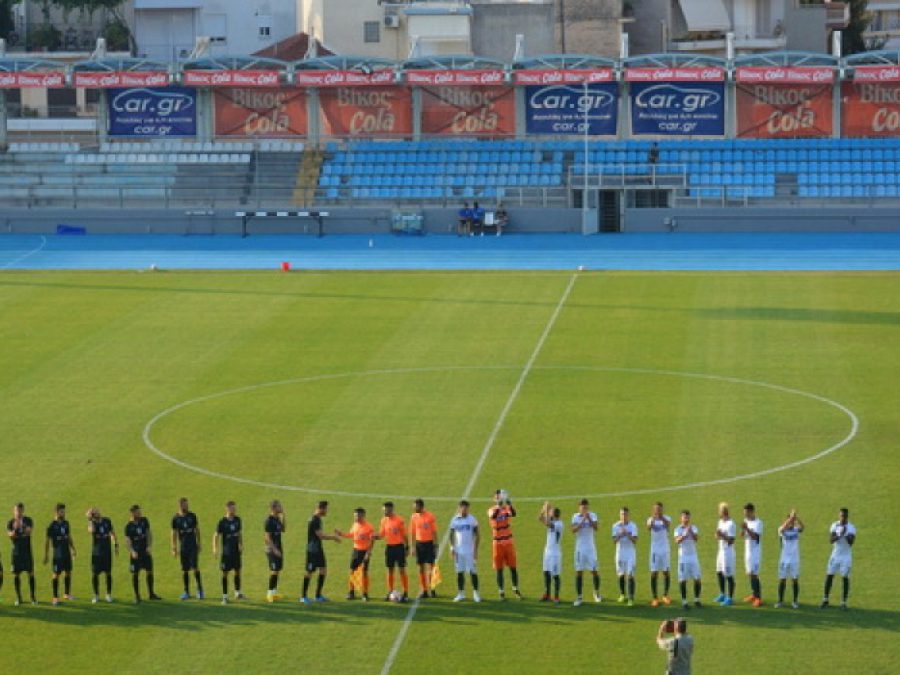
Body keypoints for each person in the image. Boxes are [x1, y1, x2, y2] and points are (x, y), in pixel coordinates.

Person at [301, 500, 341, 604]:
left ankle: (318, 595)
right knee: (309, 572)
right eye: (326, 509)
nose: (327, 511)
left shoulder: (317, 518)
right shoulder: (314, 520)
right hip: (312, 550)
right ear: (321, 508)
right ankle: (303, 596)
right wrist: (334, 537)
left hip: (318, 549)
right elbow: (321, 535)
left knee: (323, 569)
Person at [336, 507, 375, 601]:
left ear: (363, 515)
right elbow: (351, 534)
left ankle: (365, 594)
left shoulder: (369, 527)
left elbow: (372, 541)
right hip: (355, 551)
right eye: (355, 516)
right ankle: (351, 592)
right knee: (352, 571)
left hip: (364, 552)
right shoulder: (355, 524)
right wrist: (341, 534)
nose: (356, 517)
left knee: (364, 573)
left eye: (357, 515)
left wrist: (368, 553)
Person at [488, 489, 521, 600]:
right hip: (497, 543)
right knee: (499, 568)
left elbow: (514, 513)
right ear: (494, 499)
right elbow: (493, 516)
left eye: (500, 497)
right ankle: (501, 591)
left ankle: (515, 589)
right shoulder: (491, 510)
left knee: (513, 567)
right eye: (497, 497)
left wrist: (509, 503)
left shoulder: (506, 509)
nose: (499, 499)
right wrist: (499, 505)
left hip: (508, 542)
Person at [821, 507, 856, 610]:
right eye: (841, 516)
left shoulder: (851, 527)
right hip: (835, 554)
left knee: (845, 577)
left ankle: (843, 602)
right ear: (839, 515)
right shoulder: (834, 525)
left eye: (844, 516)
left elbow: (851, 542)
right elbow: (831, 540)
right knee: (829, 575)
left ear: (847, 516)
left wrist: (844, 534)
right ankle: (825, 599)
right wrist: (839, 534)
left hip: (846, 556)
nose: (842, 518)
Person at [124, 505, 160, 603]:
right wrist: (132, 551)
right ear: (132, 513)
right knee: (135, 574)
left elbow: (148, 534)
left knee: (149, 571)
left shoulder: (144, 521)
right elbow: (127, 541)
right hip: (135, 553)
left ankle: (151, 594)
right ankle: (137, 596)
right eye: (137, 512)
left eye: (140, 512)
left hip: (145, 551)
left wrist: (149, 546)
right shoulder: (128, 526)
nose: (140, 513)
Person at [171, 497, 203, 601]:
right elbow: (174, 533)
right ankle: (186, 592)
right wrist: (174, 548)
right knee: (185, 570)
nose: (186, 506)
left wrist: (199, 543)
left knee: (195, 567)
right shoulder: (175, 518)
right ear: (180, 505)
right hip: (183, 547)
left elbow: (197, 530)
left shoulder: (192, 516)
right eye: (184, 505)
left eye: (187, 504)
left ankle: (200, 590)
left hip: (193, 546)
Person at [44, 503, 76, 606]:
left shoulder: (66, 523)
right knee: (56, 575)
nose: (63, 513)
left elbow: (68, 536)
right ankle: (55, 597)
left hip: (66, 552)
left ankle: (67, 594)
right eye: (62, 511)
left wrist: (73, 549)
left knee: (68, 572)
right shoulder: (51, 526)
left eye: (64, 511)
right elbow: (47, 541)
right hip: (57, 554)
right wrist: (46, 554)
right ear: (57, 512)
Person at [377, 501, 409, 602]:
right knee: (390, 570)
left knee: (401, 570)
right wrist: (375, 536)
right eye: (383, 510)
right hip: (389, 547)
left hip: (399, 547)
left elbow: (404, 535)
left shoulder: (399, 520)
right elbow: (382, 534)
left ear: (391, 509)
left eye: (386, 510)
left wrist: (407, 547)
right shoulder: (383, 520)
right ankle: (390, 591)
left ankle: (405, 592)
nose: (384, 512)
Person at [571, 498, 601, 606]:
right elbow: (573, 530)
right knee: (579, 571)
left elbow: (596, 528)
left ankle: (596, 593)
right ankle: (579, 597)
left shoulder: (593, 515)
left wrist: (590, 520)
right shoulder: (575, 517)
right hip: (580, 549)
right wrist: (583, 520)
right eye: (583, 507)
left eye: (586, 507)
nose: (585, 509)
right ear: (579, 507)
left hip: (591, 548)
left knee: (594, 570)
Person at [449, 500, 481, 602]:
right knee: (459, 572)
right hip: (459, 551)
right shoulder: (455, 520)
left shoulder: (472, 520)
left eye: (466, 508)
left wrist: (475, 550)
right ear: (459, 508)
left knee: (473, 572)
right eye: (462, 507)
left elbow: (477, 535)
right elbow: (451, 535)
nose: (464, 509)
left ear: (468, 508)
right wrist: (452, 548)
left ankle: (476, 593)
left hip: (469, 551)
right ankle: (461, 593)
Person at [213, 500, 243, 604]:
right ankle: (225, 596)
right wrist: (215, 548)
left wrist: (241, 544)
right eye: (232, 508)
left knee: (238, 571)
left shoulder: (238, 520)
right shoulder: (222, 522)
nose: (234, 510)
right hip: (226, 553)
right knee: (225, 573)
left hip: (236, 552)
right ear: (227, 509)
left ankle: (238, 593)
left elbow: (239, 533)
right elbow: (216, 535)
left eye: (235, 508)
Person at [8, 502, 37, 605]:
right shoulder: (10, 523)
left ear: (23, 510)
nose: (18, 513)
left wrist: (22, 526)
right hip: (16, 553)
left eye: (20, 510)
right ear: (14, 511)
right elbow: (11, 536)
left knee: (31, 574)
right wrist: (16, 529)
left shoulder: (28, 520)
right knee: (16, 575)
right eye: (17, 510)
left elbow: (29, 532)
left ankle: (33, 598)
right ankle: (19, 598)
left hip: (27, 552)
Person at [87, 507, 117, 603]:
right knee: (95, 574)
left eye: (97, 511)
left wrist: (115, 542)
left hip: (107, 552)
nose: (97, 512)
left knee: (108, 573)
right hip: (97, 553)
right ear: (92, 515)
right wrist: (90, 520)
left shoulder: (107, 520)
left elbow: (112, 533)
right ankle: (96, 595)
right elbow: (91, 531)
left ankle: (108, 594)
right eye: (94, 512)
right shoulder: (93, 523)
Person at [410, 498, 438, 599]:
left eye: (415, 506)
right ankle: (424, 590)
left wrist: (436, 545)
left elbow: (434, 531)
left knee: (431, 567)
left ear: (421, 506)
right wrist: (412, 547)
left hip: (429, 544)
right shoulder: (413, 517)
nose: (414, 508)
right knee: (420, 568)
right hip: (419, 544)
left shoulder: (430, 516)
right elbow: (412, 532)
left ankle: (432, 588)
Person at [776, 509, 804, 608]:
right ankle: (780, 601)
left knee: (795, 579)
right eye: (789, 521)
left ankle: (795, 601)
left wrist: (797, 518)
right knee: (782, 579)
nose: (791, 523)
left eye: (792, 521)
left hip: (794, 559)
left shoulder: (796, 530)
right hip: (784, 559)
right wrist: (790, 519)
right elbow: (782, 529)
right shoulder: (781, 529)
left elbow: (802, 527)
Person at [674, 510, 702, 609]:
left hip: (693, 557)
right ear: (681, 518)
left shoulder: (693, 528)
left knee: (697, 579)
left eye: (687, 517)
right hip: (683, 558)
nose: (686, 519)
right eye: (684, 517)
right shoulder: (678, 529)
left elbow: (696, 539)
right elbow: (677, 541)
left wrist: (690, 532)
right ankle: (684, 601)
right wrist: (685, 534)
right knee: (683, 580)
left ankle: (697, 599)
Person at [647, 502, 673, 607]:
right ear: (653, 510)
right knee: (654, 573)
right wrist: (654, 519)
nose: (658, 511)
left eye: (659, 509)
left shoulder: (667, 518)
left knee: (666, 571)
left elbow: (668, 524)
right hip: (654, 550)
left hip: (665, 549)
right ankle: (655, 597)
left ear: (662, 509)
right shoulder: (650, 519)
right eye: (656, 509)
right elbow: (648, 527)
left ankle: (666, 595)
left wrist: (661, 517)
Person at [612, 506, 639, 606]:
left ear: (628, 515)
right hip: (620, 553)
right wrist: (620, 534)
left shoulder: (633, 526)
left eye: (626, 514)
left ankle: (631, 598)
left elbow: (635, 540)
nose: (624, 516)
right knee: (621, 574)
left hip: (630, 553)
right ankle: (622, 594)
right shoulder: (615, 526)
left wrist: (627, 533)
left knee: (630, 574)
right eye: (622, 514)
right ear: (620, 515)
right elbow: (614, 541)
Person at [538, 502, 563, 603]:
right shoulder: (552, 521)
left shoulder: (559, 524)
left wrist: (547, 509)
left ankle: (556, 596)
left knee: (555, 575)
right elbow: (540, 518)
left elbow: (548, 523)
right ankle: (547, 594)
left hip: (555, 554)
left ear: (554, 515)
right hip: (547, 551)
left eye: (551, 512)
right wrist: (544, 509)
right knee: (546, 572)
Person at [713, 502, 736, 606]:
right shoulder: (720, 522)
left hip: (728, 552)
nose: (719, 512)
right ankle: (722, 593)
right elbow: (718, 536)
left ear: (724, 511)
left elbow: (731, 541)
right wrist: (717, 535)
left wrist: (722, 535)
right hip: (721, 551)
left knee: (729, 575)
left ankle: (730, 597)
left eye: (720, 510)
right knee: (719, 572)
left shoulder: (731, 524)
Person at [741, 503, 763, 607]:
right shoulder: (746, 521)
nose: (745, 515)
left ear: (751, 511)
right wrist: (743, 530)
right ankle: (754, 595)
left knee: (754, 574)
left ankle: (759, 598)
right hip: (747, 552)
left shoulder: (758, 523)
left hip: (755, 553)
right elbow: (743, 535)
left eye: (746, 513)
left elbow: (755, 537)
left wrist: (747, 528)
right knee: (749, 573)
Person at [264, 500, 286, 603]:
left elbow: (283, 529)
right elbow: (267, 537)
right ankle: (269, 593)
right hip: (271, 548)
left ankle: (274, 592)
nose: (281, 507)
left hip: (278, 546)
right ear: (273, 508)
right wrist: (275, 549)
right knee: (273, 570)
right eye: (279, 506)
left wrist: (283, 516)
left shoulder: (277, 519)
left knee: (277, 570)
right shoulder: (269, 520)